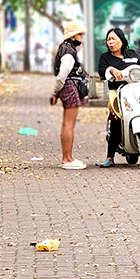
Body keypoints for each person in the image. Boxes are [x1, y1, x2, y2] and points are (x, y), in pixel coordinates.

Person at [96, 28, 140, 168]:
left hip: (136, 92)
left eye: (113, 38)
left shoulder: (132, 54)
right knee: (116, 120)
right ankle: (110, 157)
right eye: (108, 39)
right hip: (117, 93)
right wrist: (111, 70)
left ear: (122, 39)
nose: (111, 42)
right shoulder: (105, 57)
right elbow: (101, 71)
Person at [49, 21, 87, 170]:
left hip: (66, 87)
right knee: (69, 125)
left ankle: (68, 157)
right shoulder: (69, 52)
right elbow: (62, 75)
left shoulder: (65, 48)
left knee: (67, 124)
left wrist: (56, 91)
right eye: (79, 34)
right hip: (70, 87)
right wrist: (55, 91)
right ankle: (67, 159)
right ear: (72, 36)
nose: (81, 37)